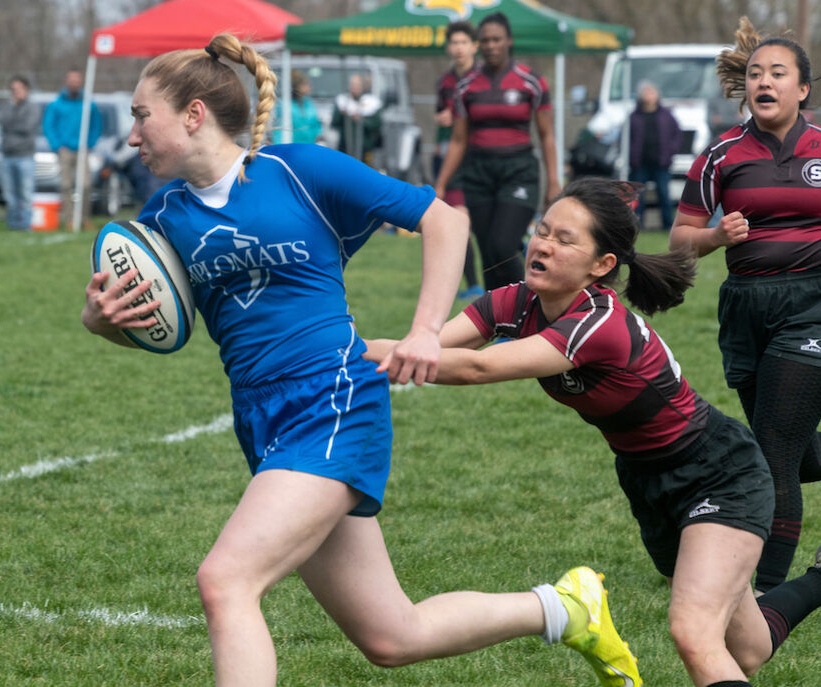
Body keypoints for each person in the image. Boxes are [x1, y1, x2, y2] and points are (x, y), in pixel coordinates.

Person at [82, 33, 641, 687]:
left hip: (334, 400)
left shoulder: (299, 171)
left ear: (194, 114)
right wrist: (103, 324)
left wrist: (427, 329)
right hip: (261, 419)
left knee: (226, 580)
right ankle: (564, 607)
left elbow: (446, 219)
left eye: (140, 114)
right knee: (391, 633)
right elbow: (158, 324)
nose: (132, 135)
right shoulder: (163, 216)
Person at [365, 177, 821, 687]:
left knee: (694, 633)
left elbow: (476, 367)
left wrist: (341, 350)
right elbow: (424, 344)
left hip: (718, 472)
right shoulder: (516, 302)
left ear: (601, 266)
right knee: (750, 647)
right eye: (542, 231)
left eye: (565, 240)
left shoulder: (598, 322)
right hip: (647, 481)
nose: (542, 245)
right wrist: (336, 349)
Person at [670, 17, 821, 593]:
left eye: (778, 73)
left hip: (812, 307)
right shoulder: (721, 155)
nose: (765, 81)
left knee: (776, 450)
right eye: (756, 72)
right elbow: (681, 241)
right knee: (783, 448)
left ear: (802, 89)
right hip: (745, 310)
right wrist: (715, 237)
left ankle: (766, 592)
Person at [435, 12, 561, 291]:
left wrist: (553, 181)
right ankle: (501, 327)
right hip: (478, 172)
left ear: (509, 41)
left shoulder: (532, 82)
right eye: (486, 40)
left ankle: (533, 303)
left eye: (497, 39)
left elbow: (547, 135)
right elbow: (458, 140)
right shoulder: (465, 86)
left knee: (502, 245)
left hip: (519, 172)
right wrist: (441, 184)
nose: (491, 45)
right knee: (489, 254)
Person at [434, 21, 482, 300]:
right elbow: (442, 116)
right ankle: (474, 284)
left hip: (480, 160)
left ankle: (518, 248)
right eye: (454, 43)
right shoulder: (445, 82)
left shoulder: (483, 79)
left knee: (486, 226)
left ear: (474, 46)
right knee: (459, 220)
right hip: (453, 162)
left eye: (464, 42)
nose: (459, 48)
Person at [43, 68, 101, 229]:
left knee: (85, 185)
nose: (74, 82)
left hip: (83, 149)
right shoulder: (57, 104)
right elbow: (49, 126)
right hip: (65, 150)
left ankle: (84, 218)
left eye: (77, 79)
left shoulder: (88, 104)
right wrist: (57, 145)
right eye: (71, 79)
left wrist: (90, 143)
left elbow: (96, 125)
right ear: (67, 81)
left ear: (81, 81)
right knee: (66, 185)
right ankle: (69, 219)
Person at [627, 81, 681, 230]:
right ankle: (637, 225)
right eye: (646, 92)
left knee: (664, 194)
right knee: (638, 196)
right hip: (639, 163)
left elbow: (676, 134)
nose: (649, 96)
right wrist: (631, 155)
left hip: (661, 162)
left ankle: (668, 225)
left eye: (651, 92)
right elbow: (625, 138)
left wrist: (671, 151)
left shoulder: (666, 116)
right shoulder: (634, 117)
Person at [0, 74, 41, 231]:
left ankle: (26, 224)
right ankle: (13, 225)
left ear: (27, 90)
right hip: (8, 156)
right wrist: (13, 115)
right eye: (13, 89)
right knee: (10, 196)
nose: (16, 92)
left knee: (25, 194)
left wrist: (11, 125)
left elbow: (27, 127)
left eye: (19, 89)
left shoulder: (32, 107)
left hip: (25, 157)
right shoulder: (6, 106)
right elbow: (1, 121)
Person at [331, 73, 382, 166]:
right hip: (345, 148)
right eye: (352, 85)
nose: (354, 88)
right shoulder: (342, 101)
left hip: (366, 148)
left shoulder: (371, 102)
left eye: (357, 85)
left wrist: (360, 120)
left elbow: (377, 124)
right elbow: (334, 123)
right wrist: (342, 114)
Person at [276, 69, 321, 144]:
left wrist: (320, 138)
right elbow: (279, 129)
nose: (309, 87)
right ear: (297, 86)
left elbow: (316, 125)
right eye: (305, 84)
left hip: (309, 145)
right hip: (291, 146)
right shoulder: (283, 104)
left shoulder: (309, 103)